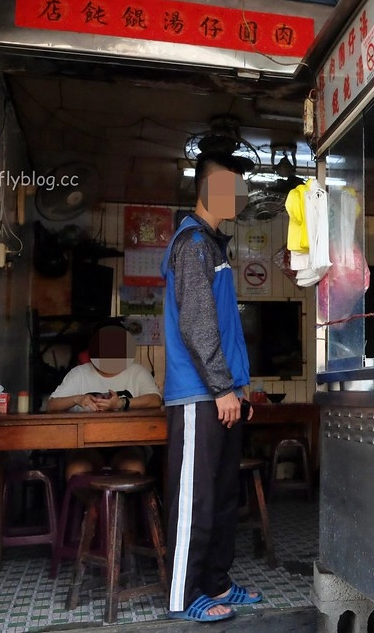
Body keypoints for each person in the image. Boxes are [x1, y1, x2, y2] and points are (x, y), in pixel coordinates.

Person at [160, 150, 261, 623]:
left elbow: (225, 328)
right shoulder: (193, 243)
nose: (237, 198)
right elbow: (198, 326)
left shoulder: (215, 246)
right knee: (195, 499)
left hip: (222, 391)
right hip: (198, 393)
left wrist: (239, 388)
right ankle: (182, 596)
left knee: (222, 496)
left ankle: (216, 581)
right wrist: (222, 387)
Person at [46, 323, 163, 478]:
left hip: (128, 444)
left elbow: (154, 400)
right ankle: (92, 503)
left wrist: (121, 403)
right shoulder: (79, 374)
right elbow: (51, 405)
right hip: (85, 445)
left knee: (133, 468)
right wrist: (77, 398)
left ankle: (121, 503)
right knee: (77, 470)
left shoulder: (137, 372)